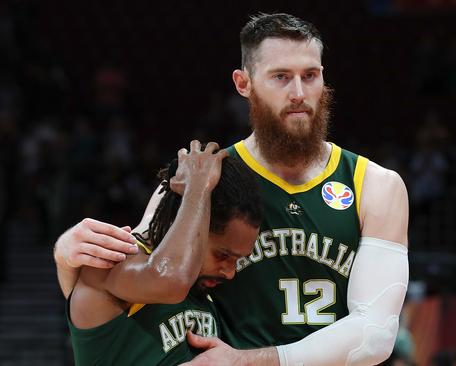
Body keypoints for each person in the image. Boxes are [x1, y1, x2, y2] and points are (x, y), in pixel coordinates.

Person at [53, 12, 410, 366]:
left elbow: (374, 336)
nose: (299, 93)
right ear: (244, 84)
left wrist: (249, 361)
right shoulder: (200, 177)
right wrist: (68, 256)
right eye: (281, 77)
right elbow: (122, 294)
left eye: (310, 75)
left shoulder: (375, 185)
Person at [66, 141, 263, 365]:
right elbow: (171, 278)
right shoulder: (110, 264)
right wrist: (197, 186)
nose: (230, 273)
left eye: (238, 260)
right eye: (223, 255)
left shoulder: (201, 289)